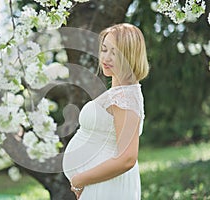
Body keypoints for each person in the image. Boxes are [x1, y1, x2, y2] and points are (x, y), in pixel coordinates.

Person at [62, 23, 149, 200]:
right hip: (100, 185)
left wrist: (79, 179)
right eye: (104, 49)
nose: (106, 58)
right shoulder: (119, 92)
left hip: (107, 186)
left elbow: (128, 159)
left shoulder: (125, 97)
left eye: (115, 52)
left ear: (129, 56)